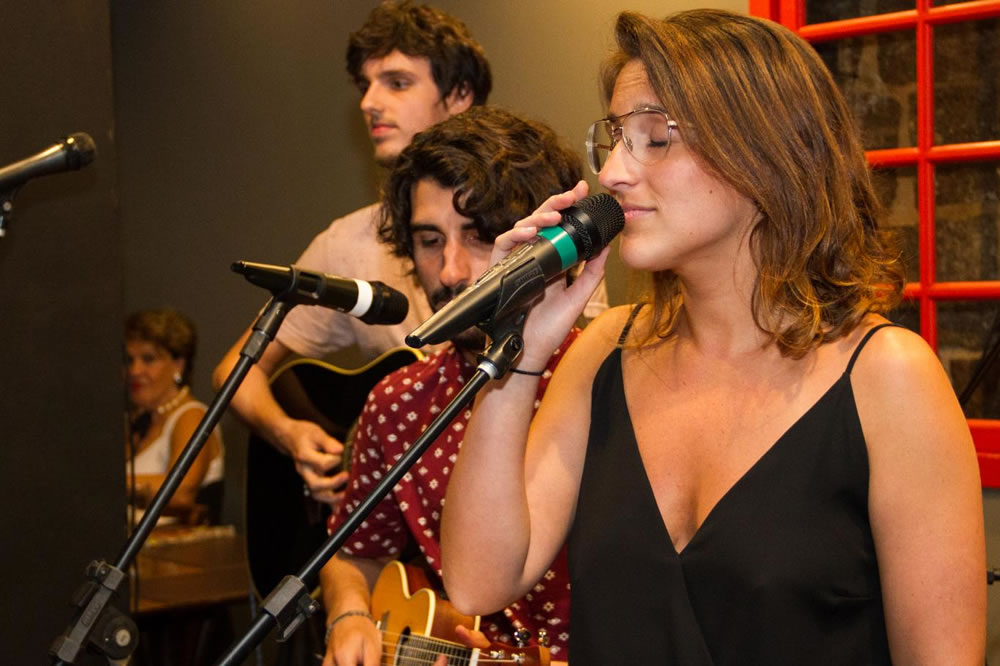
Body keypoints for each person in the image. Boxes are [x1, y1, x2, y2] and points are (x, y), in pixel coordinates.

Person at [440, 9, 986, 665]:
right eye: (616, 138)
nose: (613, 173)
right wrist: (519, 351)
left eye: (655, 138)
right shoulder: (605, 351)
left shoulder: (888, 376)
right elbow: (478, 581)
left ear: (764, 154)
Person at [320, 106, 580, 666]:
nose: (452, 272)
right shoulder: (399, 402)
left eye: (480, 237)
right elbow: (352, 553)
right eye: (429, 240)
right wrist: (349, 615)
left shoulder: (604, 376)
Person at [211, 1, 492, 504]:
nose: (369, 102)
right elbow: (236, 370)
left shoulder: (532, 221)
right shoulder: (347, 242)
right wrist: (290, 435)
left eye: (397, 83)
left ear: (459, 96)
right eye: (365, 85)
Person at [126, 309, 224, 525]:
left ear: (178, 364)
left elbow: (181, 490)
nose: (135, 370)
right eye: (129, 360)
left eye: (148, 359)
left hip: (171, 544)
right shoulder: (135, 421)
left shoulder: (192, 416)